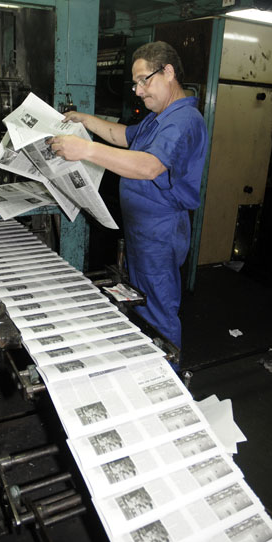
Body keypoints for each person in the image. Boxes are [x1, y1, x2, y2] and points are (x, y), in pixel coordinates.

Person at [49, 41, 208, 363]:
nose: (138, 91)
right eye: (135, 83)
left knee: (158, 308)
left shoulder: (184, 120)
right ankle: (146, 364)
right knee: (142, 301)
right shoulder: (159, 117)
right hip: (143, 229)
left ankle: (169, 378)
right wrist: (85, 120)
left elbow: (149, 166)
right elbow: (124, 136)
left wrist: (85, 150)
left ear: (168, 72)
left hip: (160, 230)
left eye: (143, 81)